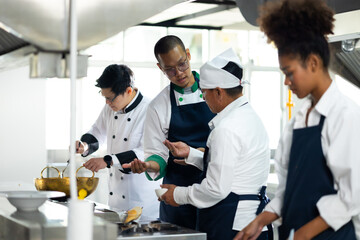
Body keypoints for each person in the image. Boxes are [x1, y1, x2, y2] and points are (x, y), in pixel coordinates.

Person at [234, 0, 360, 240]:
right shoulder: (299, 120)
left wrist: (303, 234)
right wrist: (259, 222)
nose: (286, 82)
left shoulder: (345, 115)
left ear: (313, 62)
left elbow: (353, 196)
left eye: (289, 73)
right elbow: (289, 189)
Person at [158, 48, 272, 240]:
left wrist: (178, 195)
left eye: (205, 92)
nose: (203, 97)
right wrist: (192, 155)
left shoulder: (226, 129)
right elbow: (234, 167)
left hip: (231, 224)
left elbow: (216, 188)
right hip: (250, 222)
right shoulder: (249, 117)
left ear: (219, 92)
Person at [122, 35, 215, 229]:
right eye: (169, 70)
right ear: (160, 68)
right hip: (176, 195)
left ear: (188, 55)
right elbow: (157, 154)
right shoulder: (158, 106)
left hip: (214, 189)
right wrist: (148, 165)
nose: (178, 73)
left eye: (182, 64)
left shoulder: (216, 91)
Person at [75, 64, 159, 219]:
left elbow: (146, 152)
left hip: (143, 206)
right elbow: (97, 131)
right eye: (104, 96)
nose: (107, 102)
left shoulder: (151, 110)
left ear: (128, 90)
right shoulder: (111, 107)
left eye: (109, 98)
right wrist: (84, 146)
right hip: (115, 204)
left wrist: (108, 161)